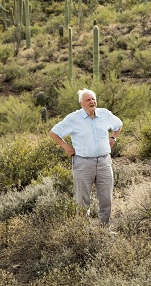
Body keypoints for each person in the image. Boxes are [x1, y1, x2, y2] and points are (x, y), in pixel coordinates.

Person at [49, 89, 122, 224]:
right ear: (81, 103)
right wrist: (67, 147)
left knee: (106, 198)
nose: (92, 102)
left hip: (104, 162)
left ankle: (104, 228)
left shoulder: (105, 114)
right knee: (82, 200)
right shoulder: (73, 118)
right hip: (83, 163)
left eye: (93, 99)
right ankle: (83, 231)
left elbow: (119, 125)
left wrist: (113, 138)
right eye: (88, 100)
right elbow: (53, 133)